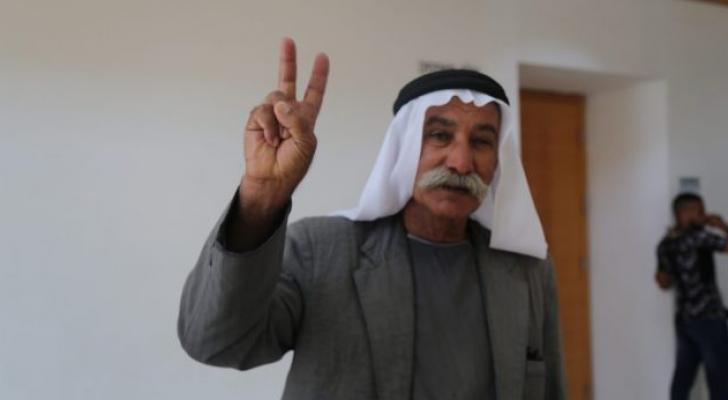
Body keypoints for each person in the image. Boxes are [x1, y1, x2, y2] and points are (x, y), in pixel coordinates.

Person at [178, 38, 566, 400]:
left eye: (481, 142)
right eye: (439, 136)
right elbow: (217, 342)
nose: (462, 162)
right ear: (403, 147)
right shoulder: (320, 251)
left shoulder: (528, 272)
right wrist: (262, 196)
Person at [655, 192, 728, 400]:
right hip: (709, 318)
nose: (704, 215)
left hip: (685, 320)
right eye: (700, 211)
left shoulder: (665, 244)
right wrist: (722, 225)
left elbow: (663, 281)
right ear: (684, 213)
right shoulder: (699, 237)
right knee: (719, 381)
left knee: (682, 381)